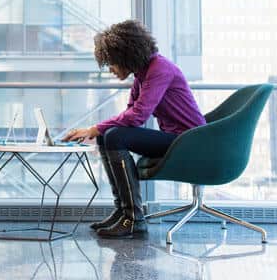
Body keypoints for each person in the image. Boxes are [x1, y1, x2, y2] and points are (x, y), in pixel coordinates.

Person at [63, 19, 206, 238]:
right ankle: (123, 212)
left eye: (111, 63)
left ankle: (134, 218)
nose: (110, 69)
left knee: (113, 135)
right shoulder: (143, 74)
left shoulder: (160, 69)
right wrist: (97, 131)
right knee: (107, 136)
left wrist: (94, 128)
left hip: (190, 141)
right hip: (175, 138)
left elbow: (138, 116)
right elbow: (130, 112)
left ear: (125, 56)